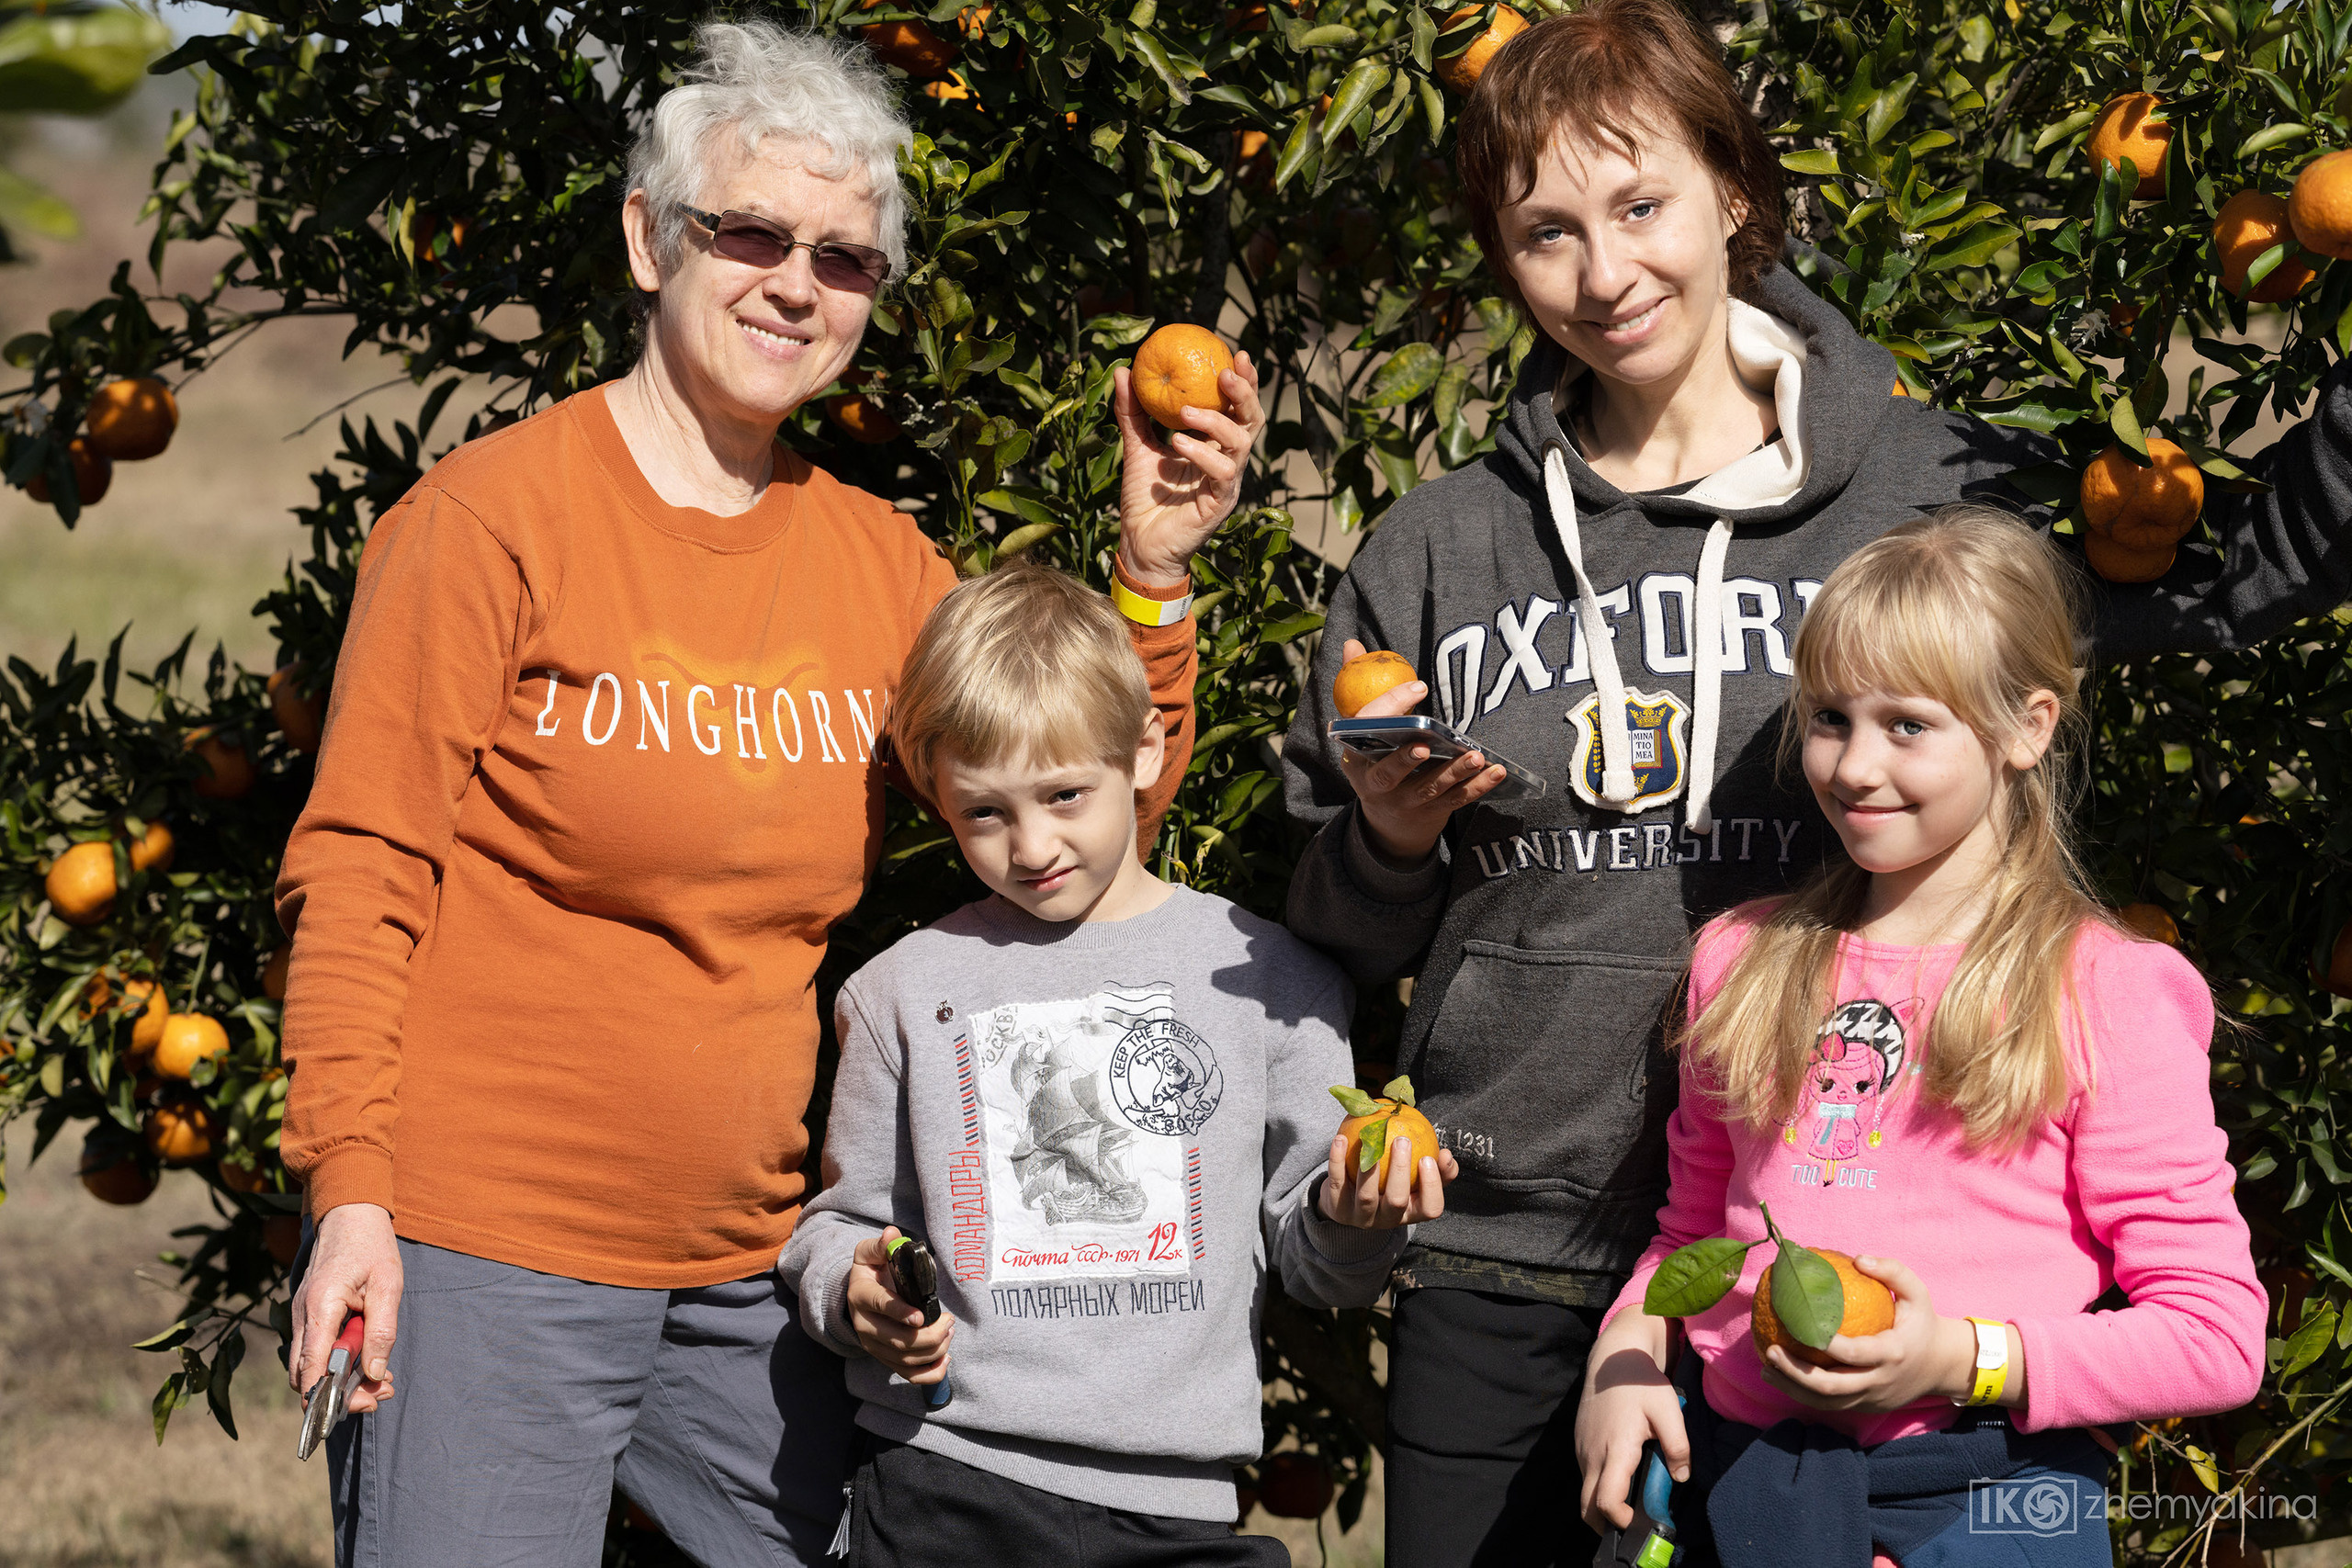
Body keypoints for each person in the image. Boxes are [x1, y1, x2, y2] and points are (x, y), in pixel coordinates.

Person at [1277, 1, 2348, 1561]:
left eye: (1642, 205)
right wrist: (1381, 841)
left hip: (1842, 1288)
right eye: (1547, 232)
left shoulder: (1941, 486)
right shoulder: (1437, 551)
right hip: (1509, 1250)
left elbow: (2236, 576)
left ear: (1732, 191)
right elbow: (1331, 925)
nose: (1607, 271)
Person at [276, 21, 1264, 1566]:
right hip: (487, 1242)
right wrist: (349, 1191)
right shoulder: (486, 524)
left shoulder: (877, 566)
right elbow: (360, 868)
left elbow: (1068, 817)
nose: (797, 284)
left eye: (848, 258)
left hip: (747, 1265)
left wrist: (1151, 581)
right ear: (648, 238)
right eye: (751, 233)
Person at [1577, 508, 2265, 1567]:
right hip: (1751, 1480)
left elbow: (2214, 1335)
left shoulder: (2103, 988)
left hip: (1986, 1495)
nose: (1852, 766)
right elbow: (1691, 1236)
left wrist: (1956, 1358)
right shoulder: (1745, 961)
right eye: (1829, 718)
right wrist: (1626, 1355)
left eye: (1906, 725)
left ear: (2026, 727)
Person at [778, 563, 1454, 1566]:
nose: (1033, 844)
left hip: (1176, 1503)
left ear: (1143, 751)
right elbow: (841, 1229)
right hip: (944, 1478)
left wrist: (1356, 1217)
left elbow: (1319, 1266)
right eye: (984, 813)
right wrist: (857, 1296)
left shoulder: (1268, 976)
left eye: (1062, 794)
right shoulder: (899, 993)